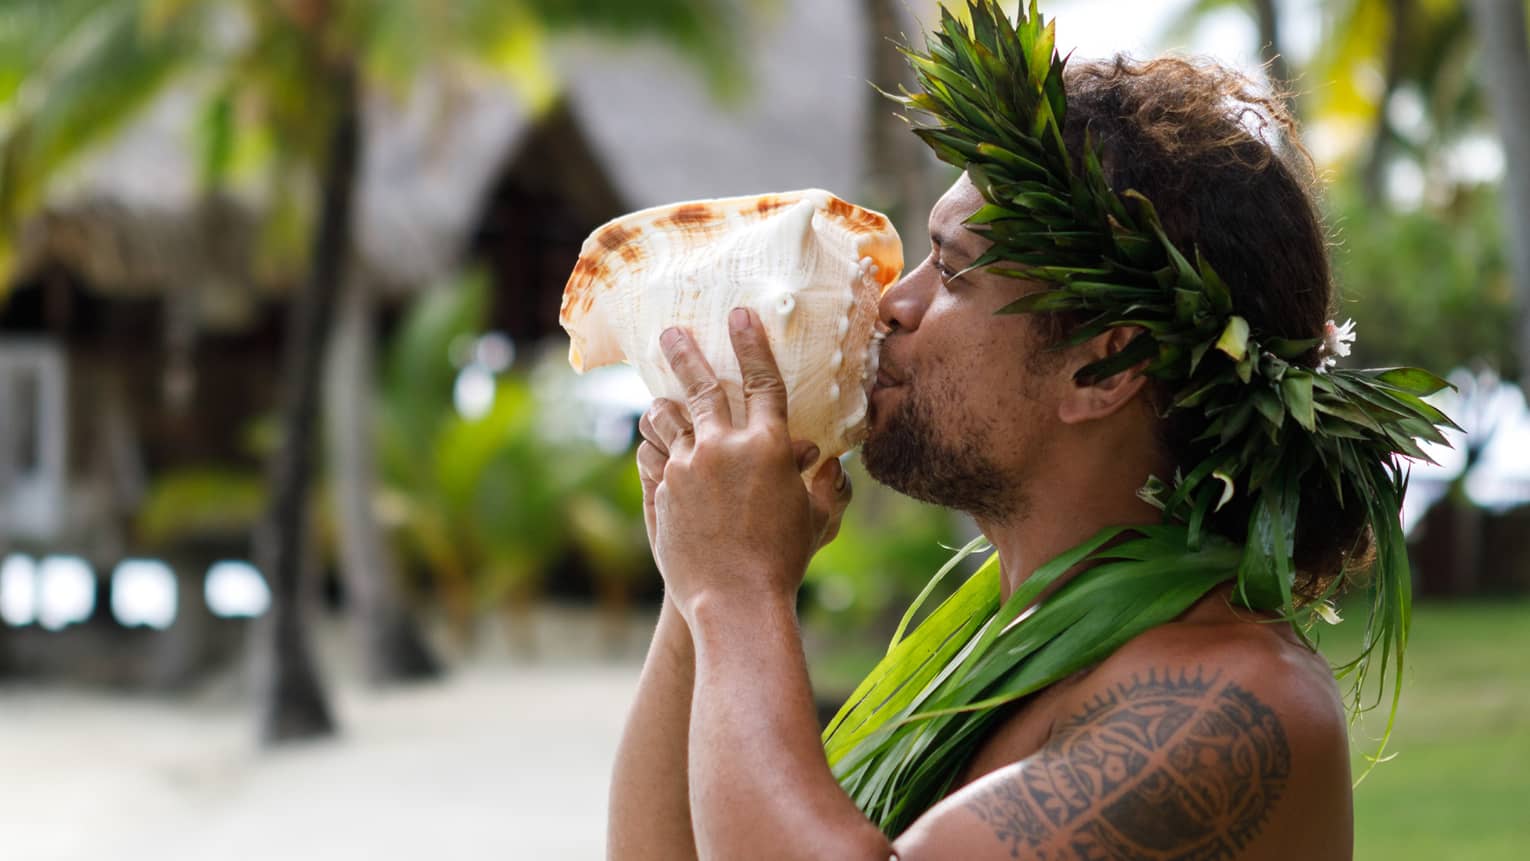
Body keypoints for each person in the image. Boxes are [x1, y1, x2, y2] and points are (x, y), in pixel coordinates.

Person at [606, 6, 1444, 858]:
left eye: (955, 267)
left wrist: (739, 588)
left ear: (1102, 365)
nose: (897, 301)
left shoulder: (1236, 706)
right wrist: (699, 570)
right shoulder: (990, 656)